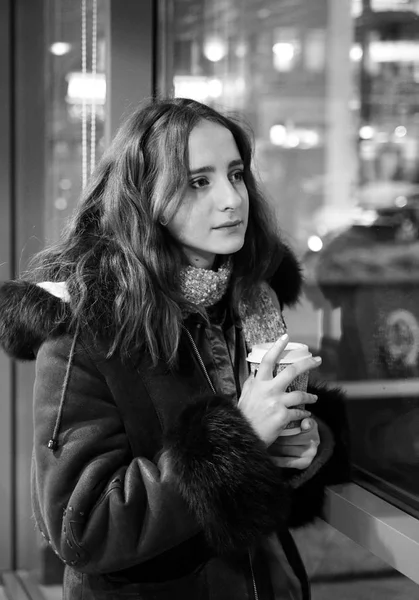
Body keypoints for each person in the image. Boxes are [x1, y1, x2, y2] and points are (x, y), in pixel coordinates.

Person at [0, 97, 348, 600]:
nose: (232, 199)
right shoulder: (88, 325)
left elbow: (253, 496)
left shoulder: (250, 299)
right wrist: (241, 435)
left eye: (236, 174)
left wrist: (298, 447)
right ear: (147, 198)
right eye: (198, 182)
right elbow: (84, 528)